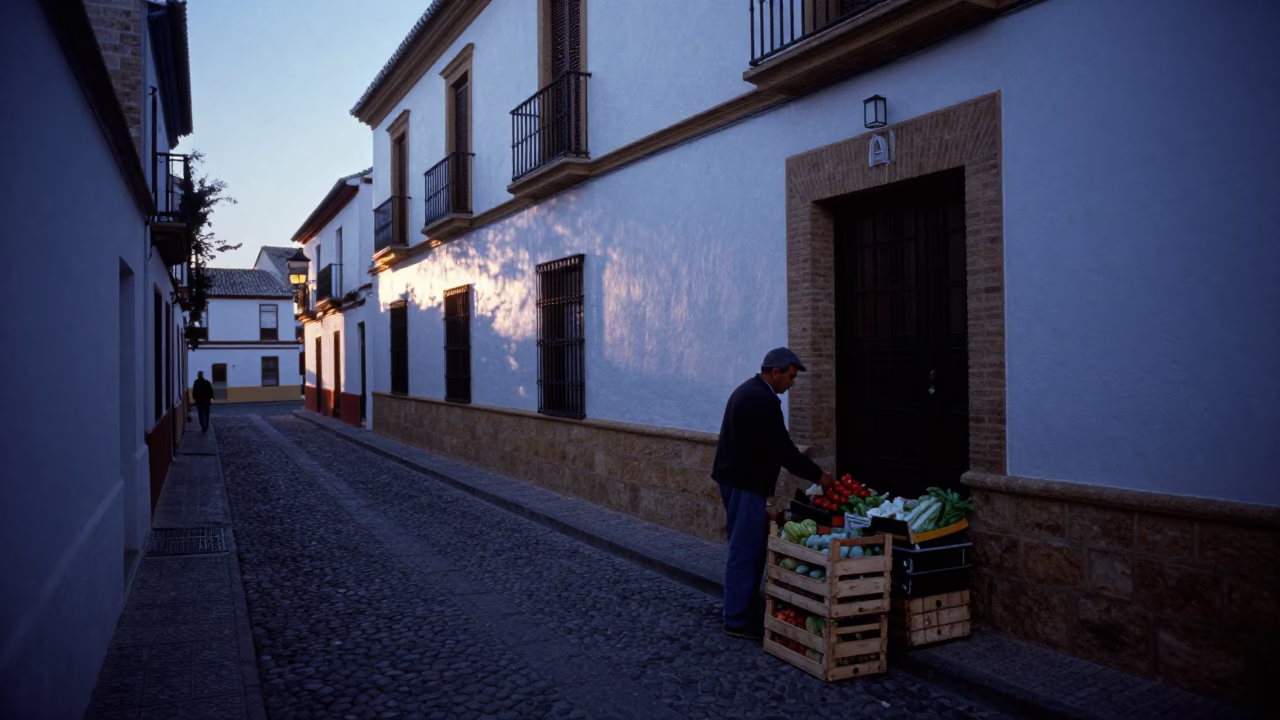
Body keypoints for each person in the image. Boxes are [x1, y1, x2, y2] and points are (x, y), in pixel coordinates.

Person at [712, 347, 833, 640]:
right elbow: (784, 451)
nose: (792, 383)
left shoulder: (750, 391)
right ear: (775, 372)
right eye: (791, 376)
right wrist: (820, 476)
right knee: (745, 550)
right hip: (745, 483)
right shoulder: (762, 400)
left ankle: (742, 610)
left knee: (749, 548)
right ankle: (736, 619)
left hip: (738, 479)